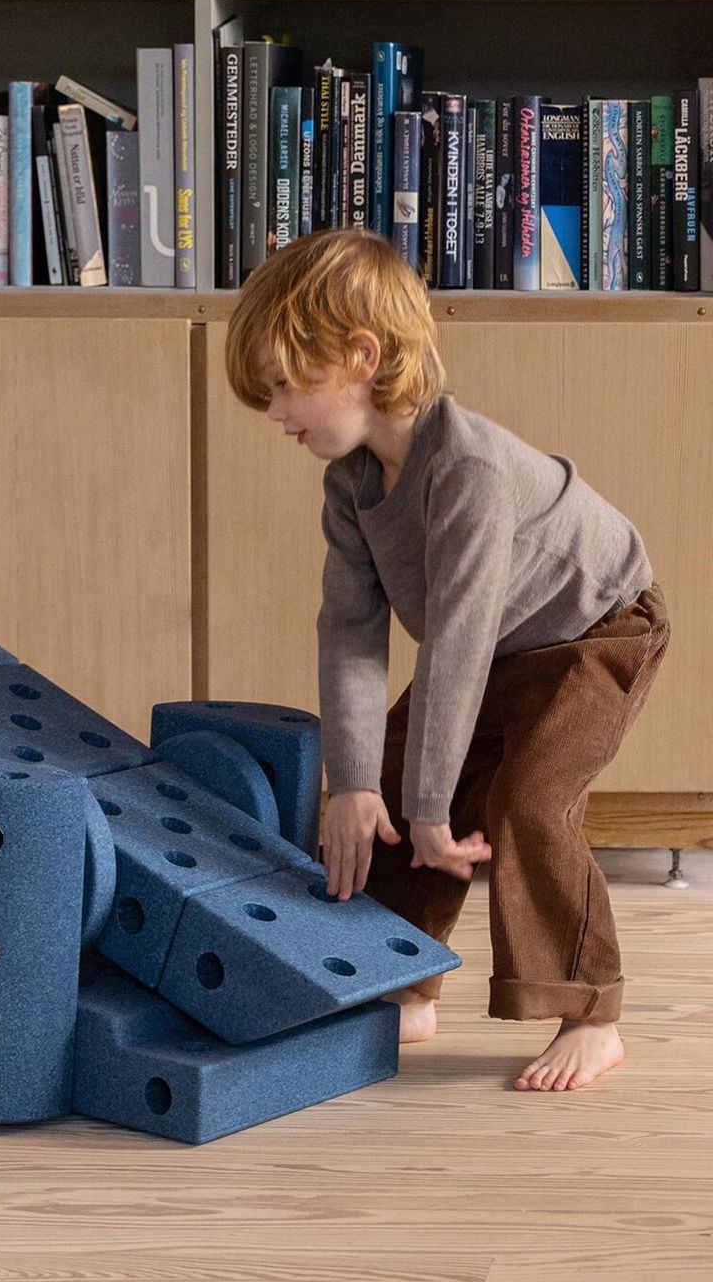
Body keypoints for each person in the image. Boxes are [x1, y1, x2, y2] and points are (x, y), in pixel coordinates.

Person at [224, 227, 669, 1091]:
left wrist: (437, 808)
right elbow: (351, 631)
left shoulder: (467, 471)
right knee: (390, 781)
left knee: (527, 799)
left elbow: (458, 640)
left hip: (597, 631)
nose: (277, 413)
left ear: (361, 354)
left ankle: (593, 1011)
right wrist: (357, 784)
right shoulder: (351, 483)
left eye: (285, 386)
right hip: (501, 641)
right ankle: (404, 982)